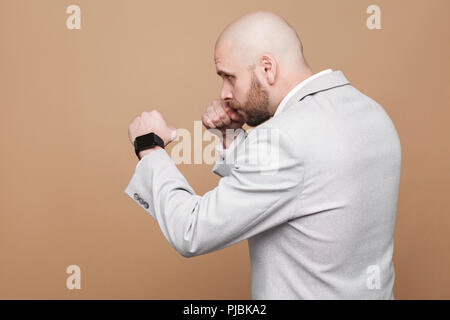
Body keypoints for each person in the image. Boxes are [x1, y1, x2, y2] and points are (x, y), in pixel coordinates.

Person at [125, 11, 402, 299]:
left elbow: (191, 232)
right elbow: (299, 188)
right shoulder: (373, 113)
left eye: (229, 77)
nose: (224, 93)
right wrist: (231, 135)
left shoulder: (284, 139)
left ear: (267, 68)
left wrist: (150, 147)